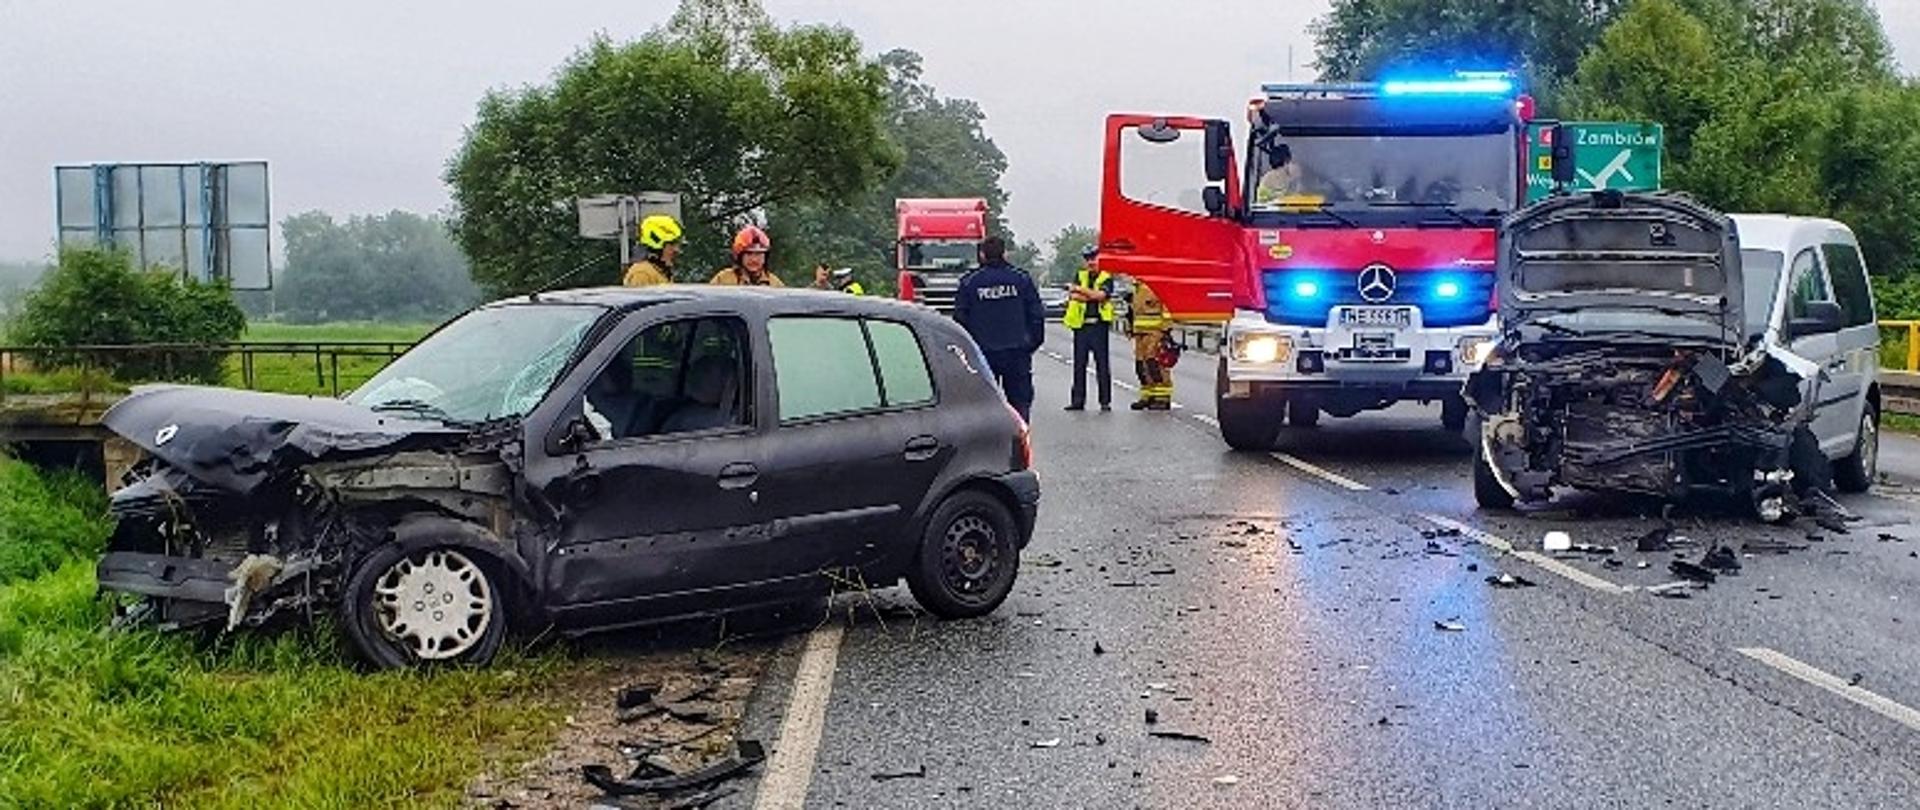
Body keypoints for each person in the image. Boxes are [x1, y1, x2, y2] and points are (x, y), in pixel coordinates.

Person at [954, 236, 1044, 422]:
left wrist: (969, 352)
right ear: (1005, 253)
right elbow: (1036, 316)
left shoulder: (970, 283)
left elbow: (960, 320)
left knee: (984, 405)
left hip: (983, 355)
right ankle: (1019, 444)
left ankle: (990, 446)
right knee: (1019, 405)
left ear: (982, 255)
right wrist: (1030, 345)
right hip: (1017, 352)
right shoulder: (1021, 280)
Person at [1063, 244, 1115, 411]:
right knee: (1079, 365)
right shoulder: (1080, 275)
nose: (1091, 262)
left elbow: (1101, 296)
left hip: (1099, 326)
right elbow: (1072, 296)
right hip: (1082, 326)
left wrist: (1080, 290)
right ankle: (1077, 401)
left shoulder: (1106, 276)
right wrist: (1089, 295)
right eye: (1087, 259)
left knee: (1102, 365)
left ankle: (1105, 401)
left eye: (1093, 258)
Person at [1129, 281, 1175, 410]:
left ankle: (1162, 398)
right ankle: (1148, 395)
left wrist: (1165, 330)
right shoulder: (1137, 287)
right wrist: (1131, 328)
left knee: (1155, 364)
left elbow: (1166, 307)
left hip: (1155, 331)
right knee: (1141, 366)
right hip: (1140, 332)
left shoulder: (1156, 284)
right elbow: (1135, 311)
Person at [709, 225, 784, 286]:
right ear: (740, 256)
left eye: (759, 254)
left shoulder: (775, 284)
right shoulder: (723, 279)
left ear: (765, 257)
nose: (754, 259)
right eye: (749, 254)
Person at [622, 214, 683, 286]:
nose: (677, 250)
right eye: (671, 244)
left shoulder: (660, 272)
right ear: (656, 248)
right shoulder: (642, 274)